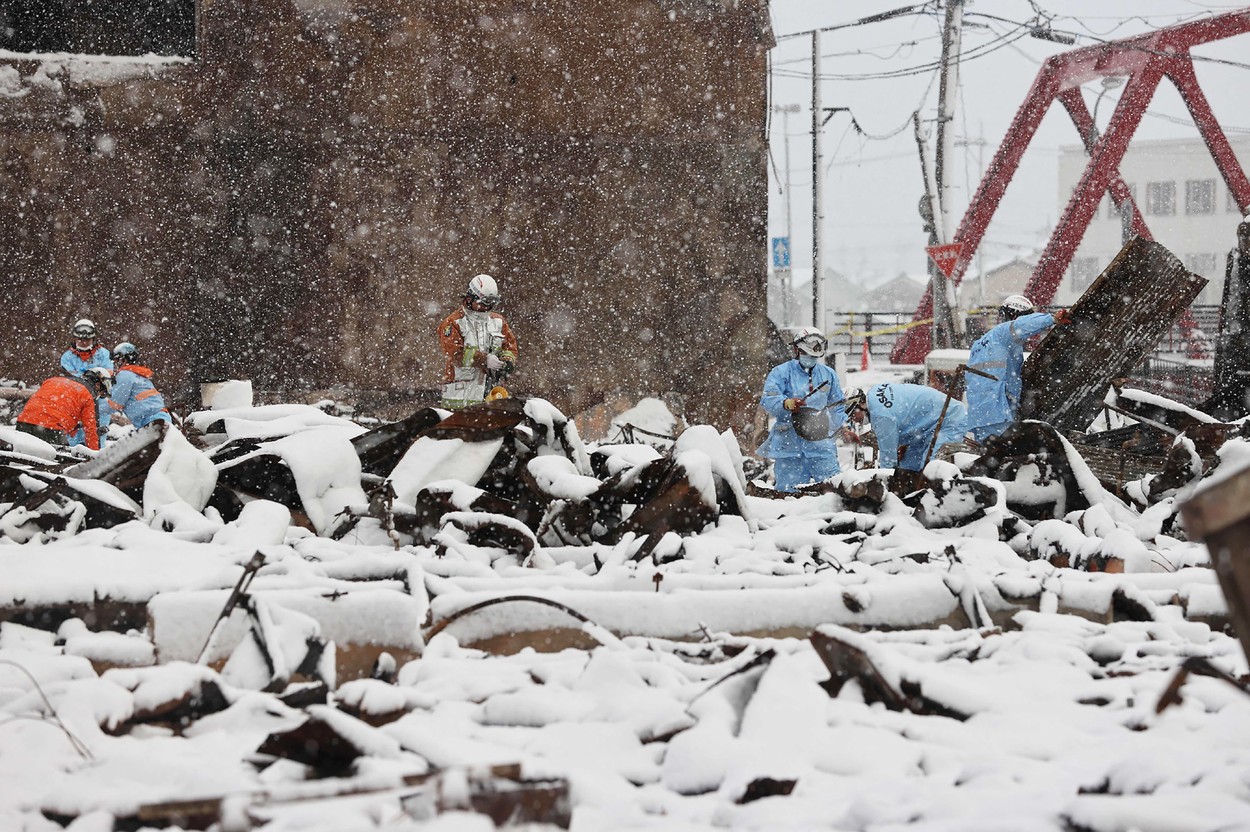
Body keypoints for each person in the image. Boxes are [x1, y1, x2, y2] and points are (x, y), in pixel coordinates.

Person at [965, 294, 1070, 443]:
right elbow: (1021, 325)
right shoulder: (1004, 333)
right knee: (1004, 454)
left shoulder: (980, 343)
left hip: (980, 414)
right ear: (1015, 315)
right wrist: (1052, 319)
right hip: (998, 410)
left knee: (989, 457)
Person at [758, 326, 847, 492]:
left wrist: (836, 430)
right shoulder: (781, 373)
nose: (811, 358)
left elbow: (838, 406)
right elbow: (768, 399)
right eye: (807, 354)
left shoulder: (829, 375)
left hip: (821, 446)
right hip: (789, 446)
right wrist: (786, 403)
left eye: (814, 356)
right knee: (788, 496)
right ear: (796, 350)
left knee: (834, 492)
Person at [437, 274, 519, 409]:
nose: (487, 307)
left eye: (492, 303)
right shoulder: (453, 323)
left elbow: (510, 347)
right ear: (470, 299)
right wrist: (484, 359)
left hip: (492, 395)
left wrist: (507, 362)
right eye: (484, 303)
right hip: (460, 399)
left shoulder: (498, 322)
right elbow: (454, 355)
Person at [844, 383, 969, 471]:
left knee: (933, 469)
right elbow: (901, 414)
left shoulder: (882, 417)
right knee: (907, 470)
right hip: (927, 427)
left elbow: (888, 462)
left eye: (852, 415)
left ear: (860, 404)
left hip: (949, 419)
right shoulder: (874, 393)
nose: (854, 421)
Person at [16, 369, 110, 451]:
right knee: (60, 464)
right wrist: (95, 457)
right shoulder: (88, 394)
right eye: (100, 394)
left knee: (21, 459)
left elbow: (54, 407)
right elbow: (91, 430)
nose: (97, 397)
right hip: (50, 428)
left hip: (23, 421)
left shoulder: (54, 380)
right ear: (97, 385)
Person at [60, 318, 114, 435]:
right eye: (80, 339)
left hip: (100, 401)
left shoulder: (103, 354)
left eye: (87, 339)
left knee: (97, 435)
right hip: (76, 401)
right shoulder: (67, 357)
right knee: (74, 436)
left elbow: (108, 373)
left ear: (93, 339)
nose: (84, 342)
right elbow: (70, 377)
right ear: (75, 339)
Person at [108, 342, 173, 428]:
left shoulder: (125, 375)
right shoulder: (140, 375)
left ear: (123, 360)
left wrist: (93, 406)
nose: (115, 364)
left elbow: (114, 404)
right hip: (162, 417)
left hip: (150, 421)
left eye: (116, 360)